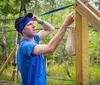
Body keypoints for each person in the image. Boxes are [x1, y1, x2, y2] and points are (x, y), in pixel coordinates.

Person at [15, 12, 74, 85]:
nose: (33, 26)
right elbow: (50, 48)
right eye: (29, 24)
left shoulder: (34, 39)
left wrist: (39, 21)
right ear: (22, 30)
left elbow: (50, 29)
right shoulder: (25, 46)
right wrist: (65, 24)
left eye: (33, 23)